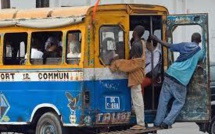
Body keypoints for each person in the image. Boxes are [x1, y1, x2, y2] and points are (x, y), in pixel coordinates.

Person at [151, 32, 205, 129]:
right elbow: (201, 62)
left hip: (170, 73)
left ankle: (157, 122)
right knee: (179, 102)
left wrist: (157, 39)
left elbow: (168, 45)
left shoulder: (185, 45)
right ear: (200, 41)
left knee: (163, 100)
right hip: (181, 80)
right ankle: (166, 122)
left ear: (191, 39)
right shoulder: (200, 52)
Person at [110, 25, 146, 130]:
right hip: (139, 74)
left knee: (137, 98)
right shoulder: (142, 42)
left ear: (135, 32)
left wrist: (118, 63)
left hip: (135, 75)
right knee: (136, 97)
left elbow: (132, 63)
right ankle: (139, 118)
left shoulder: (136, 45)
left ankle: (140, 123)